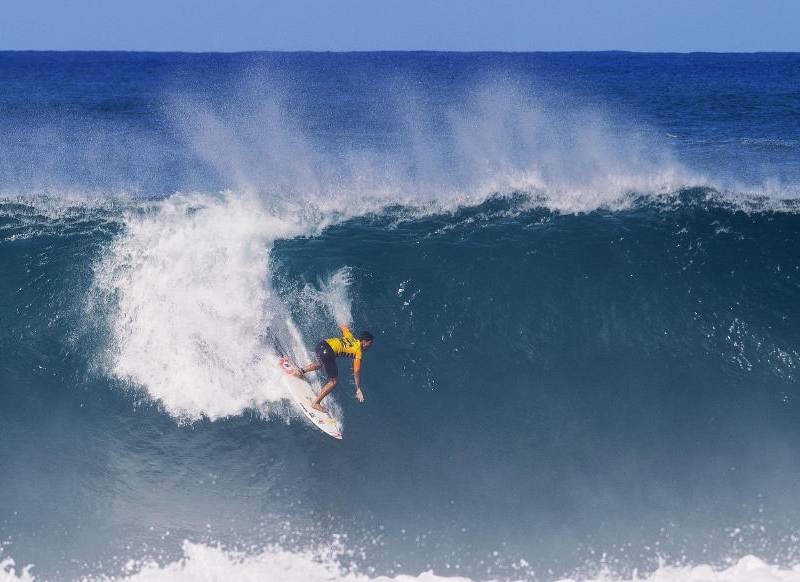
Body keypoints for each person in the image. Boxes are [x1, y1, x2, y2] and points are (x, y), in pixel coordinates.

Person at [295, 326, 374, 413]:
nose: (370, 345)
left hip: (321, 345)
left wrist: (342, 321)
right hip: (328, 353)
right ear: (364, 341)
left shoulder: (350, 337)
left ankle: (299, 372)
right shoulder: (358, 352)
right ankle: (316, 403)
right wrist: (358, 388)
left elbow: (344, 328)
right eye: (370, 343)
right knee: (334, 382)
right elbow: (356, 371)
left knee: (322, 364)